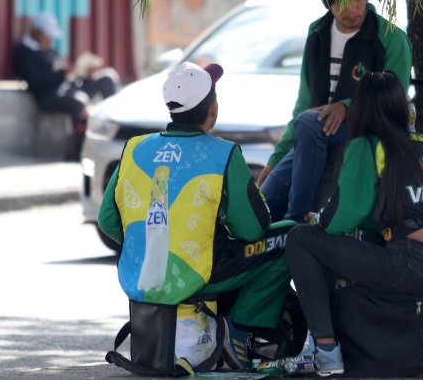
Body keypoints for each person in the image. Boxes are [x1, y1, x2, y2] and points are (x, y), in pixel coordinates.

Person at [98, 62, 294, 369]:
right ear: (212, 110)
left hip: (145, 279)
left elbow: (108, 220)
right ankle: (239, 333)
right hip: (200, 275)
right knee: (289, 237)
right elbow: (253, 228)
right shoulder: (222, 154)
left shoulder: (135, 148)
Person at [284, 71, 423, 376]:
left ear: (361, 108)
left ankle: (325, 352)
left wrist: (320, 220)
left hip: (411, 264)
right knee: (370, 235)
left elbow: (345, 214)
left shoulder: (367, 146)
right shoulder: (422, 145)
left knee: (301, 239)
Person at [257, 0, 412, 222]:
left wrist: (347, 107)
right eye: (340, 0)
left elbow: (394, 98)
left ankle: (297, 222)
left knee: (309, 123)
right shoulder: (318, 31)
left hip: (368, 127)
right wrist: (276, 158)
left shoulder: (391, 37)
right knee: (265, 200)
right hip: (315, 131)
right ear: (328, 2)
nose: (351, 8)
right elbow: (303, 102)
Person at [10, 13, 119, 160]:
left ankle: (114, 128)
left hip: (70, 86)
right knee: (79, 101)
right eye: (47, 36)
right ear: (36, 32)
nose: (50, 40)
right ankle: (79, 150)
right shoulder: (24, 53)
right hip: (49, 95)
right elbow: (37, 82)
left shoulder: (49, 50)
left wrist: (81, 72)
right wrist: (62, 74)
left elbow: (61, 70)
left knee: (107, 78)